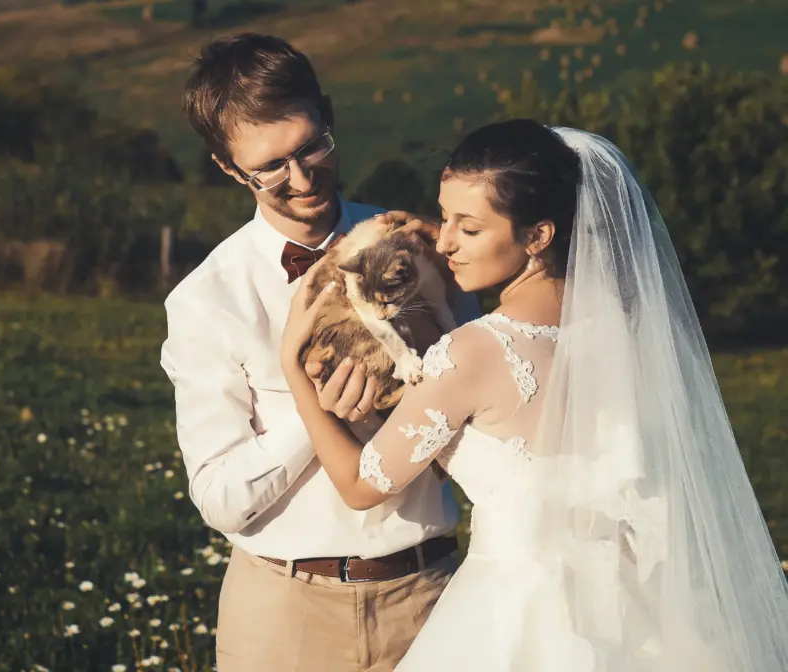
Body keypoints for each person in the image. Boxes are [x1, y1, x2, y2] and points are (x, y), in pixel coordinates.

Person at [281, 119, 788, 670]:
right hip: (639, 613)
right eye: (443, 216)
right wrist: (469, 234)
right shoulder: (629, 326)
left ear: (538, 235)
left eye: (467, 229)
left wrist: (291, 365)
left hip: (516, 615)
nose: (443, 240)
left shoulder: (474, 353)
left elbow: (361, 485)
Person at [160, 33, 480, 672]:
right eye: (270, 166)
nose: (301, 179)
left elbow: (486, 413)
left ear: (329, 116)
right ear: (229, 168)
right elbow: (220, 497)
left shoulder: (416, 245)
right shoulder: (205, 301)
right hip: (282, 616)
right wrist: (313, 415)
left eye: (312, 147)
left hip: (434, 598)